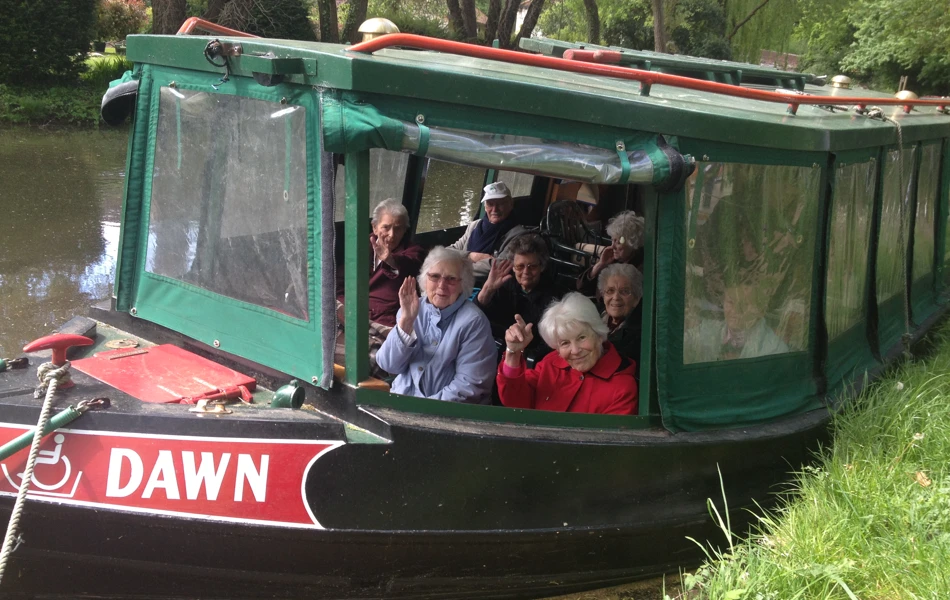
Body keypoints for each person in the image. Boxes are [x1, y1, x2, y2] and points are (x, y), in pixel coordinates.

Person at [376, 247, 496, 403]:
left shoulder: (473, 322)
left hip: (445, 414)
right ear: (425, 280)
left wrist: (421, 409)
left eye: (451, 279)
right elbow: (389, 365)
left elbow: (469, 387)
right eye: (434, 276)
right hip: (401, 401)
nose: (441, 285)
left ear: (463, 284)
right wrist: (406, 321)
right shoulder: (412, 308)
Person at [497, 293, 638, 415]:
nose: (575, 350)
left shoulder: (622, 387)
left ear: (599, 334)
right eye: (565, 343)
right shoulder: (551, 363)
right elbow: (515, 400)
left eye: (582, 338)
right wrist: (513, 353)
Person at [334, 198, 425, 378]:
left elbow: (410, 264)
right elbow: (340, 282)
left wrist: (389, 259)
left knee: (375, 357)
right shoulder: (359, 247)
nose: (391, 234)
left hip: (382, 320)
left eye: (398, 228)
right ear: (375, 227)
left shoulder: (413, 252)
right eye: (386, 227)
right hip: (351, 312)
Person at [474, 233, 558, 357]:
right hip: (494, 348)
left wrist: (519, 353)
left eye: (532, 266)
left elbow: (549, 344)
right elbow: (476, 318)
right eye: (520, 266)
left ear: (542, 267)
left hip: (528, 358)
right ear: (513, 268)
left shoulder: (553, 297)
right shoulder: (504, 284)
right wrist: (488, 288)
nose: (526, 272)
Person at [684, 282, 788, 363]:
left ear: (761, 310)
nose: (736, 310)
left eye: (745, 304)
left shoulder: (775, 351)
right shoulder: (707, 330)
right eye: (730, 302)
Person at [449, 181, 526, 285]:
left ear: (510, 204)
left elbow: (497, 267)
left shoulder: (519, 235)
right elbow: (447, 252)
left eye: (500, 204)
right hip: (458, 283)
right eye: (490, 204)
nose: (495, 209)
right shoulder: (474, 226)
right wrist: (471, 256)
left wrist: (453, 268)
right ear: (485, 206)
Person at [577, 210, 645, 296]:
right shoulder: (613, 259)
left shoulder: (637, 271)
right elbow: (581, 288)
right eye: (612, 240)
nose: (612, 246)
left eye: (618, 242)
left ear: (633, 243)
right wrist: (600, 265)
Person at [598, 263, 644, 365]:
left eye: (624, 291)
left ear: (636, 298)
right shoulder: (594, 315)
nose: (616, 297)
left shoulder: (640, 333)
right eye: (610, 290)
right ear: (603, 294)